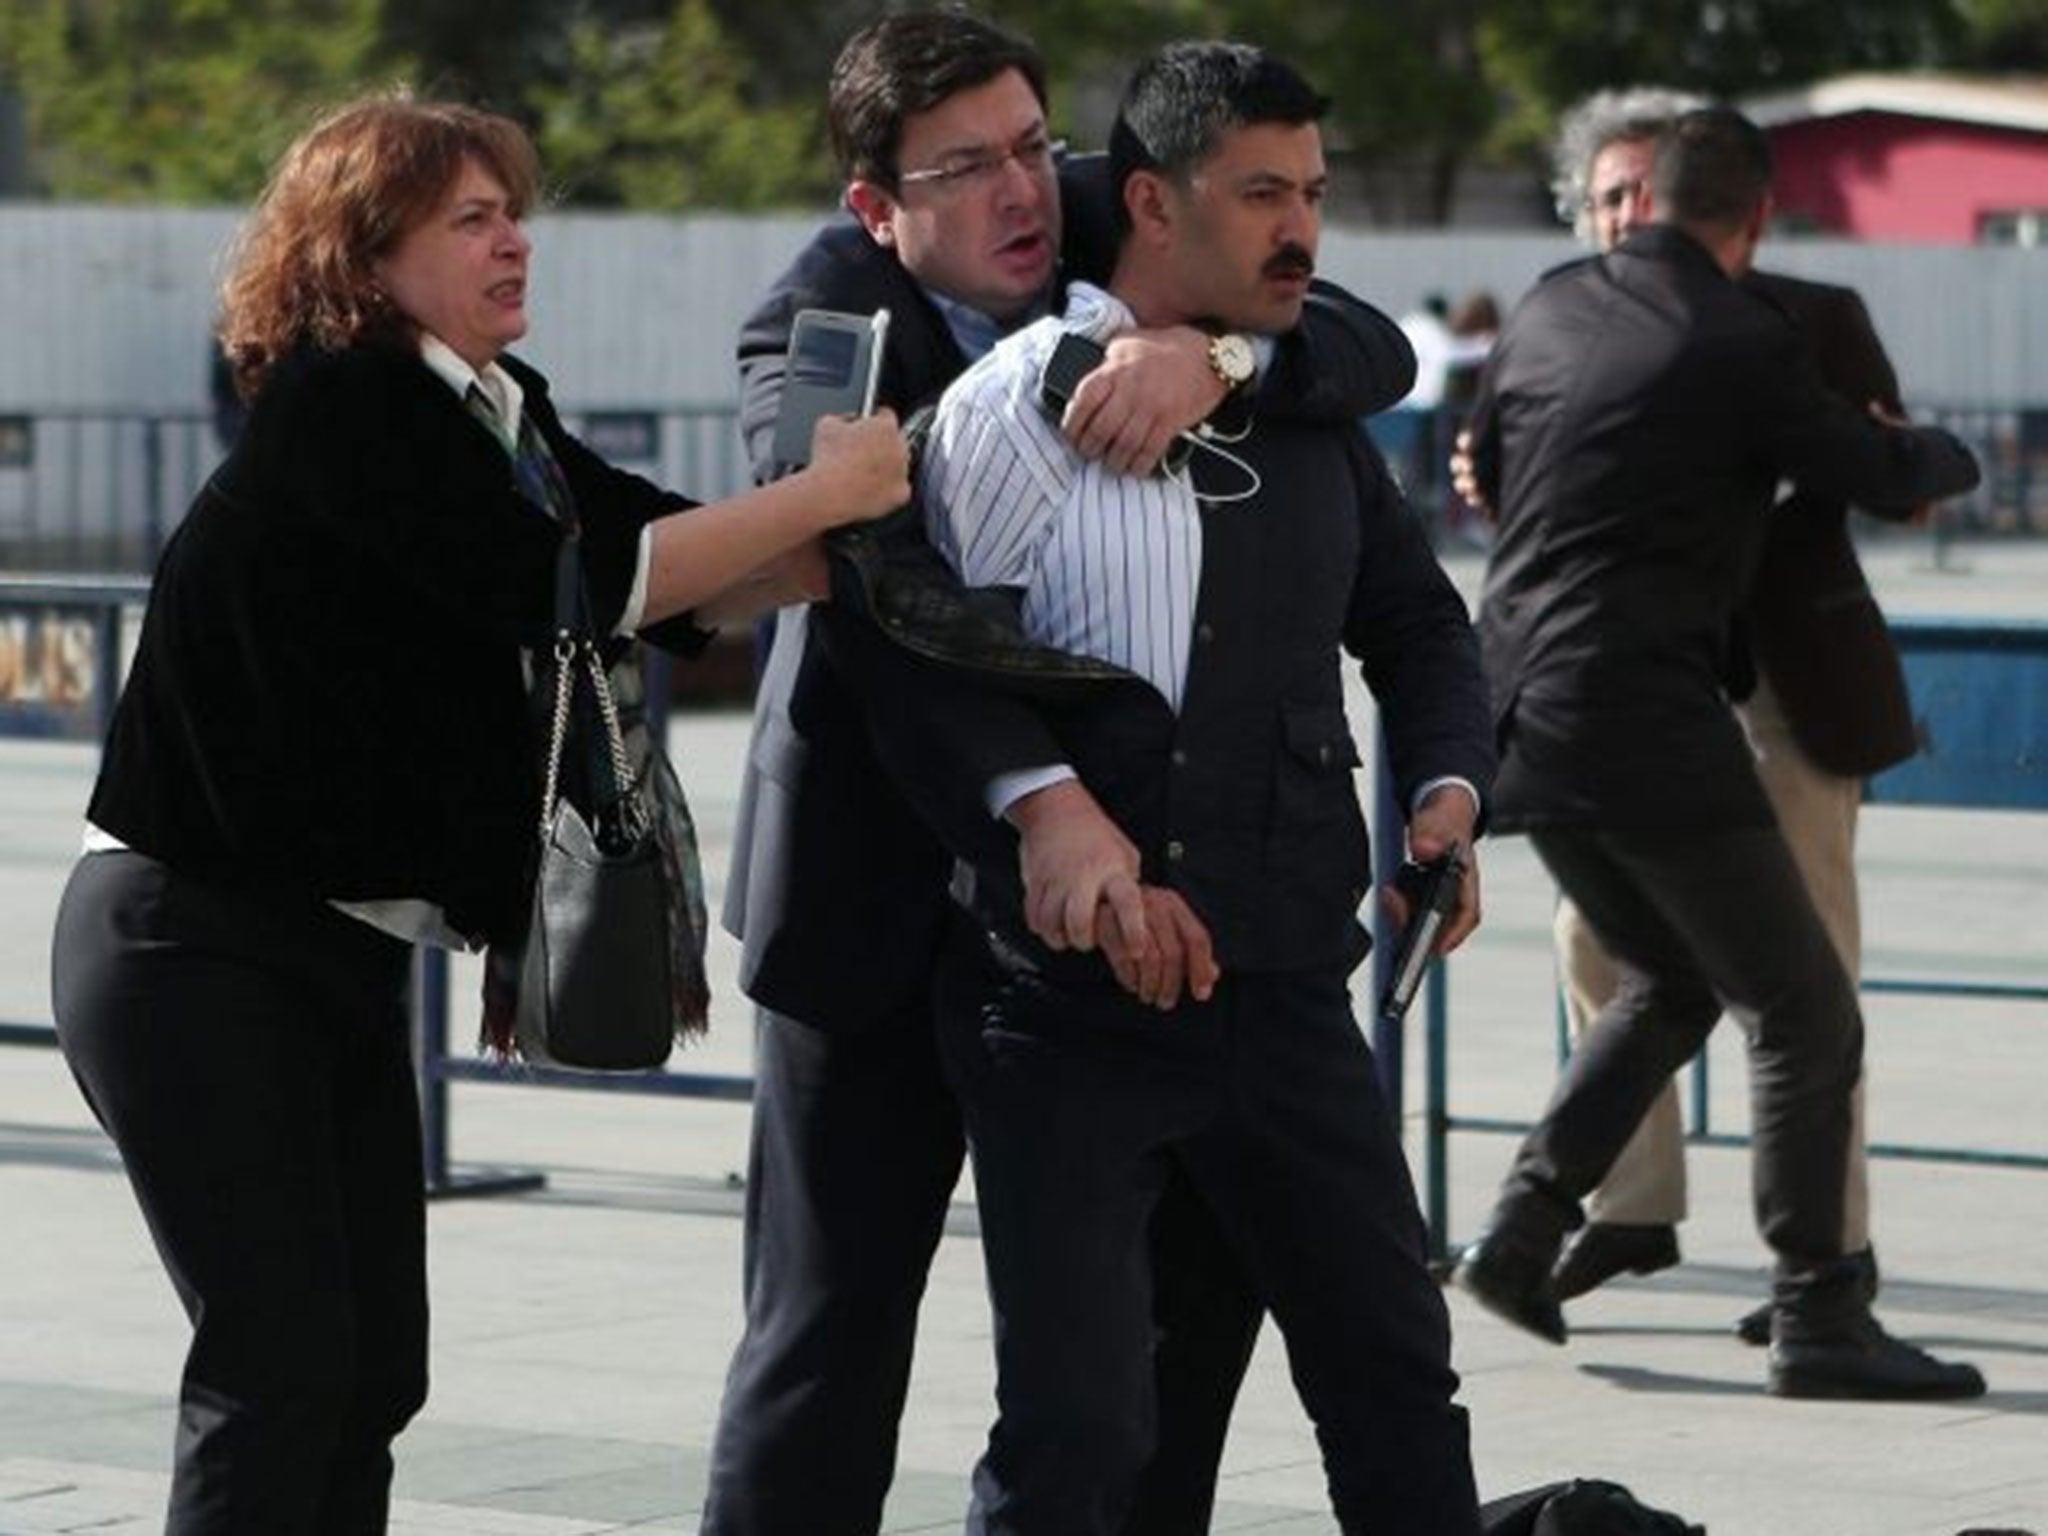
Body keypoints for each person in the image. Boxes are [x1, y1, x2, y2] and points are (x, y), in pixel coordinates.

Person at [46, 94, 907, 1536]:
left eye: (514, 211)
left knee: (372, 1369)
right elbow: (594, 578)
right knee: (279, 1365)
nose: (515, 240)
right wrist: (821, 493)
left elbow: (669, 564)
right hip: (189, 946)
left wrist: (854, 522)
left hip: (330, 950)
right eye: (471, 218)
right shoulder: (348, 400)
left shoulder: (495, 412)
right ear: (363, 254)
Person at [702, 14, 1420, 1536]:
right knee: (827, 1345)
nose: (1023, 191)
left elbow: (1365, 342)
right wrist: (1038, 794)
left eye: (1033, 144)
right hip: (883, 908)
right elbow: (878, 593)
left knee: (1144, 1371)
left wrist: (1210, 353)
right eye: (963, 169)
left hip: (1119, 966)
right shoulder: (822, 328)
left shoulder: (1113, 211)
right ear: (876, 207)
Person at [914, 41, 1494, 1535]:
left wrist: (1445, 793)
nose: (1300, 227)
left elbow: (1423, 627)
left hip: (1290, 990)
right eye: (1260, 194)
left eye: (1312, 191)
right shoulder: (1007, 412)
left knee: (1393, 1381)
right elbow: (918, 673)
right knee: (1085, 1438)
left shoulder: (1306, 406)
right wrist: (1045, 801)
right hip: (1065, 1017)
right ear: (1157, 204)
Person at [1451, 105, 1986, 1400]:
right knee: (1804, 1012)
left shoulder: (1548, 305)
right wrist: (1945, 448)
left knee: (1672, 982)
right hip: (1643, 716)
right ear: (1752, 220)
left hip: (1515, 711)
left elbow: (1495, 464)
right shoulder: (1742, 336)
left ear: (1637, 205)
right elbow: (1875, 463)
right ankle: (1819, 1315)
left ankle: (1521, 1236)